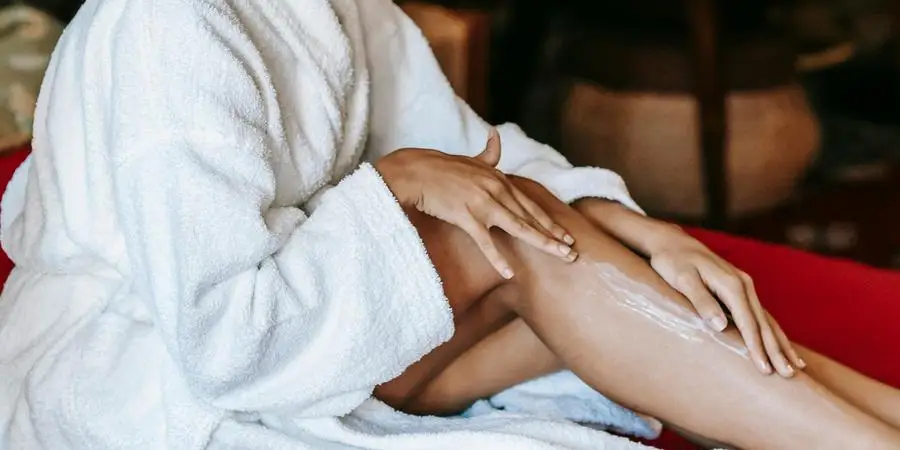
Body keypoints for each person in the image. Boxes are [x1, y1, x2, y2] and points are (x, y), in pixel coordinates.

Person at [0, 0, 897, 449]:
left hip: (325, 345)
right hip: (156, 380)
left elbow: (485, 161)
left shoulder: (343, 8)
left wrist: (641, 229)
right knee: (518, 241)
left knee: (554, 258)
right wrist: (394, 183)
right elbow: (228, 341)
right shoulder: (170, 24)